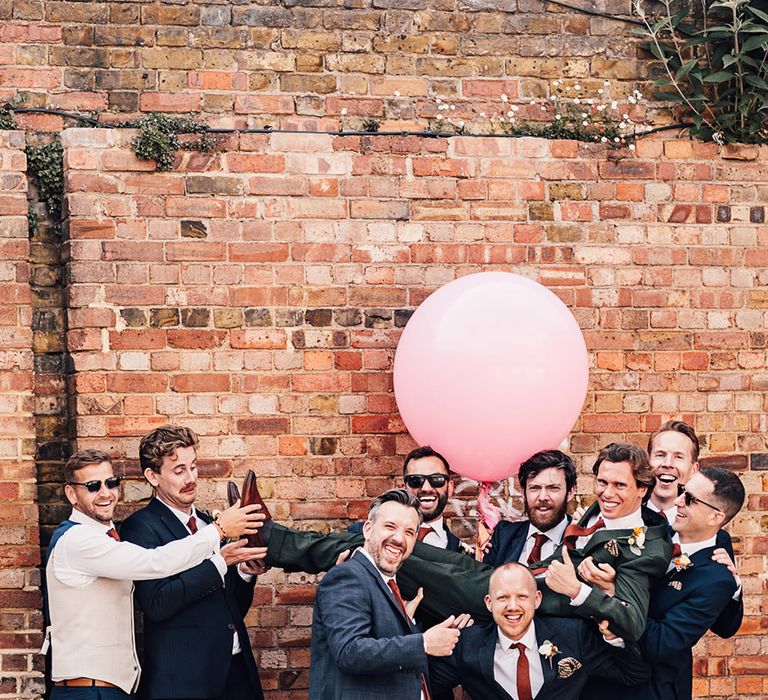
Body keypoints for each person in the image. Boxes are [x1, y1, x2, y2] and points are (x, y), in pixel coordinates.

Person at [259, 442, 671, 642]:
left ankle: (272, 540)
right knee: (406, 546)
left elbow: (633, 621)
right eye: (603, 482)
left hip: (515, 604)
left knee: (395, 546)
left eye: (620, 484)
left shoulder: (644, 545)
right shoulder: (596, 517)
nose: (609, 491)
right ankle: (282, 539)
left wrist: (580, 591)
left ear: (642, 489)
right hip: (497, 578)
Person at [44, 449, 262, 698]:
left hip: (110, 689)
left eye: (111, 483)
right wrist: (219, 530)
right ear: (71, 494)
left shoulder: (104, 538)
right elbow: (155, 562)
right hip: (87, 691)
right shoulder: (78, 540)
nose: (106, 493)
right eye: (93, 486)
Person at [120, 426, 266, 700]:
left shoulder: (208, 522)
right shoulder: (139, 528)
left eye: (194, 467)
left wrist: (245, 573)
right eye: (179, 471)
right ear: (153, 476)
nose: (191, 478)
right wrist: (220, 562)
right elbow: (157, 604)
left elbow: (229, 609)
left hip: (236, 674)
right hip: (183, 681)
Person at [585, 467, 746, 700]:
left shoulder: (716, 580)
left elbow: (662, 642)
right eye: (683, 491)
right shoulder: (652, 529)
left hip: (651, 689)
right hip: (599, 678)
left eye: (690, 499)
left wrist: (614, 596)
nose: (678, 501)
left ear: (716, 517)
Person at [309, 489, 472, 699]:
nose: (399, 539)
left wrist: (411, 624)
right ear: (368, 529)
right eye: (390, 526)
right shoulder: (348, 575)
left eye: (409, 532)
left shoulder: (386, 585)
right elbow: (349, 652)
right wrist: (423, 643)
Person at [429, 563, 650, 699]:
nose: (513, 606)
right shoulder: (467, 644)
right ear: (489, 603)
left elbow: (634, 674)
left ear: (537, 599)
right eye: (503, 597)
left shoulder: (573, 635)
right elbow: (427, 687)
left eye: (522, 597)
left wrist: (613, 638)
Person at [645, 420, 742, 638]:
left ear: (693, 469)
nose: (667, 463)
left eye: (679, 457)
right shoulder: (622, 515)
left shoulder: (717, 540)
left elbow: (724, 628)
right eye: (660, 454)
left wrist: (733, 587)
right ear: (647, 461)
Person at [349, 446, 463, 551]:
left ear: (450, 487)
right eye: (415, 481)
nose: (426, 488)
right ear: (404, 488)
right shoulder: (362, 535)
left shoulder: (461, 553)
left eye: (437, 480)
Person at [483, 450, 575, 567]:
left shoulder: (582, 540)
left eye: (553, 488)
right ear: (523, 492)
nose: (542, 497)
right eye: (534, 488)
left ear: (570, 492)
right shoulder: (503, 536)